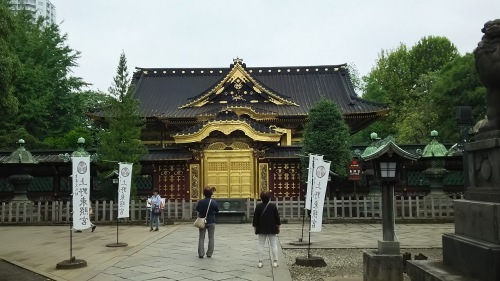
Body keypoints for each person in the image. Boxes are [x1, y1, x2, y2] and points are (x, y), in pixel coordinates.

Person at [252, 191, 281, 268]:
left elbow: (255, 219)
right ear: (269, 198)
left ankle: (260, 261)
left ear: (261, 198)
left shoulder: (258, 207)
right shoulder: (273, 206)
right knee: (273, 244)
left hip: (261, 228)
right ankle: (275, 261)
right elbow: (277, 218)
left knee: (261, 244)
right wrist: (278, 225)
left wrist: (255, 227)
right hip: (272, 228)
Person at [195, 187, 219, 258]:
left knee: (201, 237)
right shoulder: (213, 202)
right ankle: (209, 253)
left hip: (202, 220)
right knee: (211, 237)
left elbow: (197, 209)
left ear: (204, 194)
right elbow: (217, 210)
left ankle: (201, 253)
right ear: (211, 194)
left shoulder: (201, 202)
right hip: (211, 221)